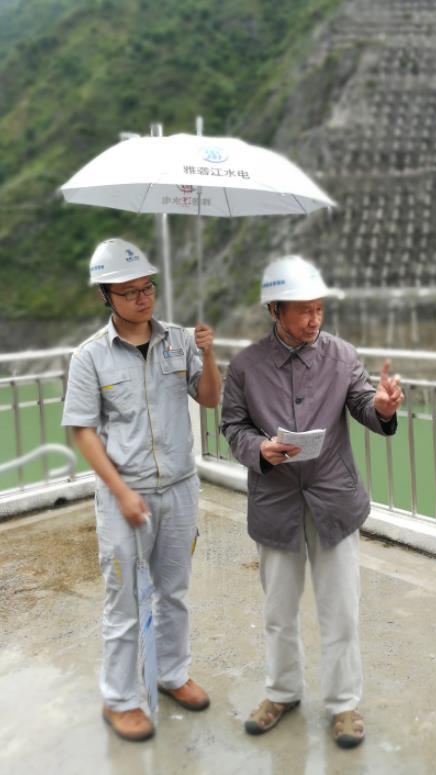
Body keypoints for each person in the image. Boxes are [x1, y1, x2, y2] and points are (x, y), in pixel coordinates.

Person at [221, 255, 403, 749]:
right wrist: (259, 448)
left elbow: (364, 404)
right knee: (279, 611)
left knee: (341, 609)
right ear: (274, 309)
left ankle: (344, 704)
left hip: (333, 501)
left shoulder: (342, 356)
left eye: (319, 309)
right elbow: (231, 427)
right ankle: (282, 692)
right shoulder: (245, 366)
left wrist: (382, 408)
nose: (314, 320)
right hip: (275, 502)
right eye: (303, 311)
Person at [61, 238, 221, 742]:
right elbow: (83, 431)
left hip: (178, 489)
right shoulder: (90, 357)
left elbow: (210, 399)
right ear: (106, 297)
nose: (142, 298)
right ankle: (121, 699)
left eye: (147, 287)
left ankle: (172, 674)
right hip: (123, 496)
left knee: (173, 593)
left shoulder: (180, 342)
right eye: (128, 292)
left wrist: (210, 355)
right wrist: (122, 492)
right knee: (124, 601)